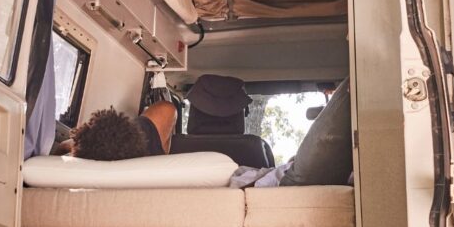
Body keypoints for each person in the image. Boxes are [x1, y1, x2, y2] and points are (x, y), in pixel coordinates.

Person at [67, 75, 351, 188]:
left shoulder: (100, 182)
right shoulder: (152, 154)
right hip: (281, 185)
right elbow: (166, 110)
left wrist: (72, 149)